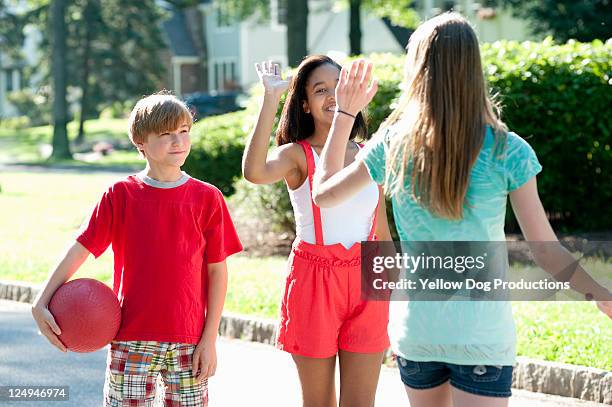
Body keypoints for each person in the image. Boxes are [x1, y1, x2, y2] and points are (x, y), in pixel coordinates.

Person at [311, 12, 612, 407]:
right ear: (475, 69)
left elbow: (323, 194)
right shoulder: (509, 150)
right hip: (481, 338)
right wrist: (600, 293)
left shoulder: (393, 143)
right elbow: (545, 250)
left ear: (417, 70)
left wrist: (346, 114)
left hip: (418, 332)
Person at [32, 92, 243, 406]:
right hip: (131, 336)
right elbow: (80, 249)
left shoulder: (207, 198)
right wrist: (41, 299)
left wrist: (210, 338)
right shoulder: (121, 195)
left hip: (189, 339)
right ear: (140, 141)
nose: (178, 141)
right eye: (166, 134)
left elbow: (217, 271)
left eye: (184, 131)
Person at [242, 56, 391, 407]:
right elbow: (254, 171)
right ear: (305, 104)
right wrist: (270, 99)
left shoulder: (371, 153)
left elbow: (381, 227)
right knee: (319, 402)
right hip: (314, 281)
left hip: (368, 280)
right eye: (320, 89)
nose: (332, 96)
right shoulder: (297, 155)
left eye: (338, 87)